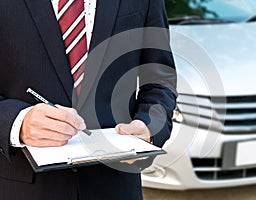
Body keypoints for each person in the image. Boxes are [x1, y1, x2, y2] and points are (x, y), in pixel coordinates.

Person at [0, 0, 177, 199]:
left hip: (115, 186)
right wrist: (17, 122)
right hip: (20, 188)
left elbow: (159, 79)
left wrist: (150, 125)